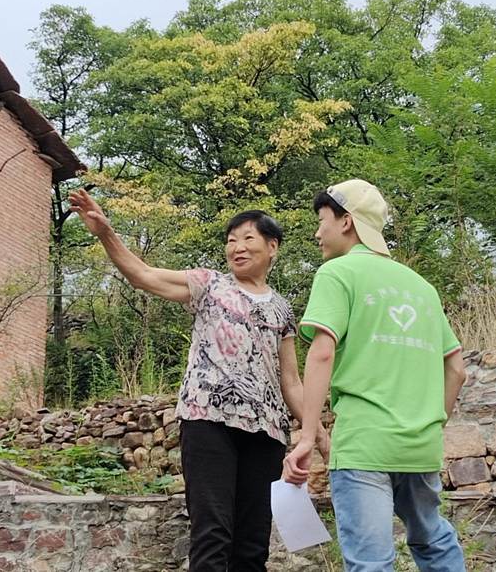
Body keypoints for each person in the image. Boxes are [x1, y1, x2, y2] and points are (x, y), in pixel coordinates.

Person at [68, 188, 329, 572]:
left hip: (266, 433)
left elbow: (290, 380)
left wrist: (315, 431)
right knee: (213, 534)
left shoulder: (282, 309)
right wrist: (107, 232)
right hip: (208, 421)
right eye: (230, 240)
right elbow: (143, 276)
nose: (236, 247)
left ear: (272, 246)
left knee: (253, 543)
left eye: (247, 238)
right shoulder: (209, 285)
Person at [282, 179, 468, 572]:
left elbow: (322, 353)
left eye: (322, 220)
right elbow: (456, 368)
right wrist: (431, 424)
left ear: (346, 222)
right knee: (433, 540)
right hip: (420, 446)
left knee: (371, 561)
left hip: (364, 443)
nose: (318, 232)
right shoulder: (422, 287)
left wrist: (307, 436)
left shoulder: (337, 274)